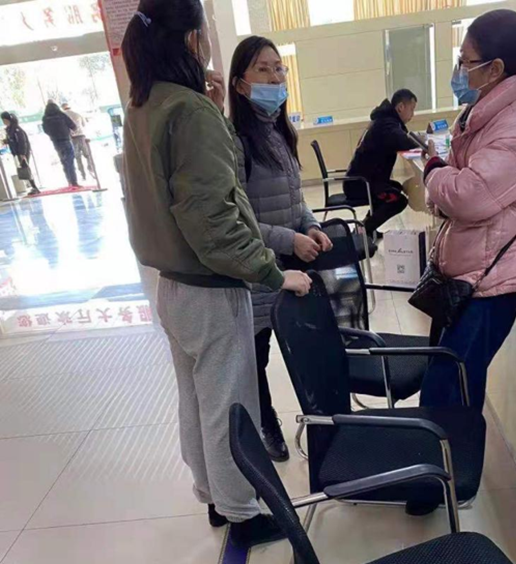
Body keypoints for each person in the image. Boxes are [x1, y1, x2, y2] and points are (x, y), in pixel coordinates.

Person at [121, 0, 311, 549]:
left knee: (196, 399)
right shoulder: (189, 112)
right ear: (191, 41)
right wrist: (275, 274)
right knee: (231, 405)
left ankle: (211, 495)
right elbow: (215, 222)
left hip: (172, 287)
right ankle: (240, 512)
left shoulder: (145, 104)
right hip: (209, 288)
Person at [419, 9, 516, 412]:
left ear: (494, 68)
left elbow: (469, 195)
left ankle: (453, 457)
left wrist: (433, 171)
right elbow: (454, 191)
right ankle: (450, 454)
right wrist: (443, 183)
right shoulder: (482, 115)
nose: (460, 71)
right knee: (450, 391)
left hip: (491, 281)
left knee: (449, 399)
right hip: (469, 273)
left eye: (466, 61)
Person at [229, 35, 333, 463]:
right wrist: (290, 239)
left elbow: (294, 198)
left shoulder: (279, 131)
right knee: (258, 355)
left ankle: (323, 418)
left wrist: (311, 225)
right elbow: (238, 218)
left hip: (294, 261)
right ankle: (266, 421)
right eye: (263, 69)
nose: (275, 78)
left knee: (305, 346)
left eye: (279, 68)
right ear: (240, 83)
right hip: (259, 268)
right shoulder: (235, 141)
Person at [344, 89, 420, 238]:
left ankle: (368, 226)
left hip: (364, 180)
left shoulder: (384, 119)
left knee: (396, 188)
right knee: (398, 201)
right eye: (411, 109)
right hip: (361, 183)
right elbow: (405, 142)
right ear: (400, 107)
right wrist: (423, 143)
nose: (412, 114)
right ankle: (363, 231)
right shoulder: (387, 124)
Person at [42, 101, 79, 187]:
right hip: (65, 139)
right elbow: (73, 125)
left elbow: (45, 130)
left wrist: (52, 135)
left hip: (56, 142)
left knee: (63, 161)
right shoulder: (61, 115)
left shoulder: (45, 118)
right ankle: (74, 181)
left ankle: (69, 181)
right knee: (70, 161)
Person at [2, 112, 40, 195]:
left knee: (25, 168)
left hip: (22, 152)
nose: (4, 122)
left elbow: (22, 141)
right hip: (18, 152)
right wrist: (6, 141)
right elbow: (13, 140)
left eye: (4, 120)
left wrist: (22, 153)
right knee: (24, 168)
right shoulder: (9, 129)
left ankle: (34, 187)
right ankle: (33, 186)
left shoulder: (16, 129)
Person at [62, 103, 95, 181]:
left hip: (72, 138)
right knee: (87, 155)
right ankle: (90, 168)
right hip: (81, 136)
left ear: (63, 108)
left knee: (77, 157)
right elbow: (84, 124)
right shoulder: (77, 113)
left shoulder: (63, 115)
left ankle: (83, 174)